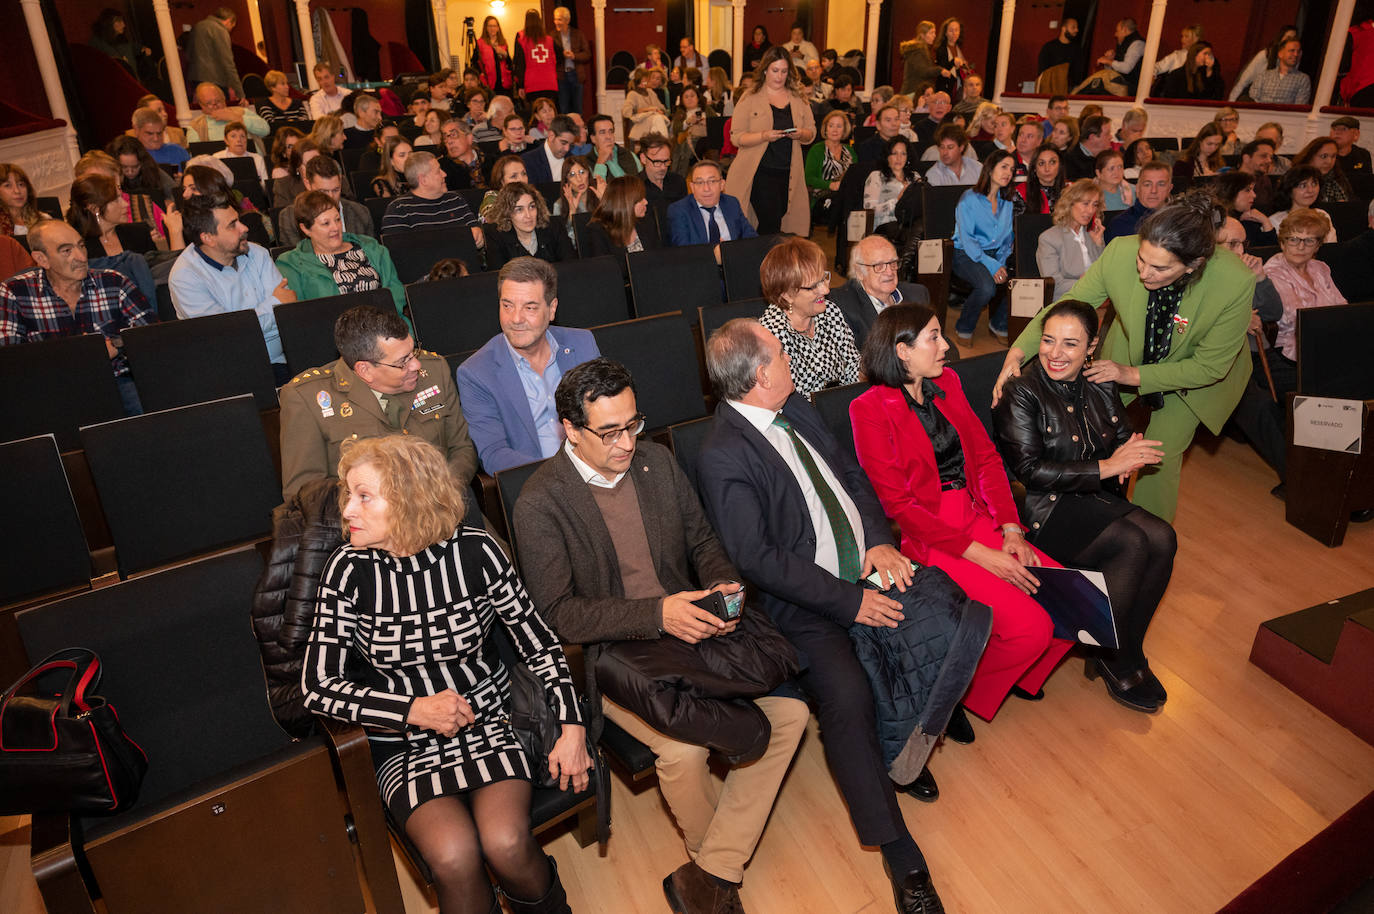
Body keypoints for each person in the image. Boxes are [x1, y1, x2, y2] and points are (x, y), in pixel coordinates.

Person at [511, 357, 807, 913]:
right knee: (683, 754)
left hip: (685, 624)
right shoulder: (541, 503)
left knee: (791, 715)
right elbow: (559, 614)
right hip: (616, 656)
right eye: (610, 432)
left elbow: (702, 543)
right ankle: (715, 865)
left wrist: (722, 585)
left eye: (633, 424)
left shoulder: (657, 463)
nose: (626, 443)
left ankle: (712, 872)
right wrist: (657, 614)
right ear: (570, 430)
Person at [696, 318, 947, 914]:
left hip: (861, 564)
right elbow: (759, 560)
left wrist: (879, 540)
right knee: (847, 696)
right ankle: (899, 851)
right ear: (761, 376)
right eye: (782, 353)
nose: (791, 358)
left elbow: (851, 476)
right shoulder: (722, 454)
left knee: (945, 627)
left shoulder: (798, 406)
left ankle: (903, 743)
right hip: (801, 604)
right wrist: (849, 600)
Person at [302, 434, 585, 914]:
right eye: (348, 494)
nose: (347, 509)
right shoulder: (346, 569)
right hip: (404, 740)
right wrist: (412, 710)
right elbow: (317, 686)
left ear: (410, 499)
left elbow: (539, 641)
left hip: (490, 721)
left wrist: (573, 727)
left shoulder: (476, 552)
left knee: (506, 843)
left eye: (363, 496)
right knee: (454, 858)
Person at [851, 302, 1076, 717]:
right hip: (931, 537)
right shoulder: (868, 409)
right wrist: (983, 555)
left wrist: (1010, 527)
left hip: (978, 516)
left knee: (1069, 599)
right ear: (902, 351)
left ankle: (1017, 677)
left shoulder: (948, 382)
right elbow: (898, 505)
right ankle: (959, 692)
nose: (946, 346)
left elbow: (987, 458)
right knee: (1032, 627)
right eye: (934, 337)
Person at [994, 196, 1256, 522]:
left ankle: (1146, 533)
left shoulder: (1234, 283)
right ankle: (1094, 512)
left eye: (1160, 268)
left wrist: (1132, 375)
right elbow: (1071, 305)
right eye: (1142, 259)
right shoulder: (1120, 252)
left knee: (1159, 452)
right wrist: (1017, 353)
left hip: (1195, 374)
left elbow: (1209, 366)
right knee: (1096, 427)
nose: (1145, 273)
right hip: (1132, 348)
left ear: (1194, 265)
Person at [992, 299, 1177, 711]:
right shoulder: (1021, 391)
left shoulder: (1101, 382)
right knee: (1132, 542)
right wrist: (1110, 466)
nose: (1055, 353)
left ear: (1091, 346)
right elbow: (1029, 471)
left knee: (1163, 537)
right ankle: (1114, 657)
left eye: (1070, 344)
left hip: (1093, 497)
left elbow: (1120, 433)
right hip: (1045, 506)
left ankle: (1126, 646)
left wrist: (1129, 449)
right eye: (1048, 341)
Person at [278, 305, 479, 502]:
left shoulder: (435, 370)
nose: (416, 365)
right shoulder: (306, 399)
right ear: (365, 370)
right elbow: (305, 494)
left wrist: (442, 496)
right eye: (403, 362)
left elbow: (461, 448)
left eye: (413, 352)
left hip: (443, 506)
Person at [455, 257, 598, 474]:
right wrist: (559, 477)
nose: (516, 318)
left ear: (552, 309)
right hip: (536, 484)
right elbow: (493, 454)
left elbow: (607, 415)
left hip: (596, 467)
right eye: (507, 306)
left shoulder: (582, 344)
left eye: (529, 307)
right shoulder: (476, 373)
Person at [0, 220, 152, 414]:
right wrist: (84, 355)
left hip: (115, 380)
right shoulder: (14, 292)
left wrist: (115, 344)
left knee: (147, 407)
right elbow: (9, 360)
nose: (81, 257)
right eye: (66, 251)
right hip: (49, 389)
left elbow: (150, 337)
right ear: (42, 259)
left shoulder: (113, 282)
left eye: (81, 245)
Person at [168, 193, 293, 384]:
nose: (245, 228)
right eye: (232, 225)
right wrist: (274, 302)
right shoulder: (185, 277)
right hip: (229, 372)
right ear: (208, 238)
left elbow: (286, 314)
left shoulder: (257, 253)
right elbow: (227, 336)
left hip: (280, 360)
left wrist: (246, 322)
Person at [725, 47, 816, 236]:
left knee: (775, 224)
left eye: (784, 71)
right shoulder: (750, 97)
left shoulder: (798, 97)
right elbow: (737, 137)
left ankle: (760, 259)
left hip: (789, 172)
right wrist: (764, 136)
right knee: (771, 221)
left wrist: (800, 133)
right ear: (765, 70)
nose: (779, 76)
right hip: (758, 171)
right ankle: (766, 263)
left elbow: (811, 133)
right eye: (775, 70)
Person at [757, 237, 859, 401]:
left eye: (824, 278)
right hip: (805, 420)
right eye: (813, 286)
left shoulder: (830, 311)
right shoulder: (773, 335)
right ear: (787, 295)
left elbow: (853, 363)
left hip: (843, 404)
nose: (825, 290)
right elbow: (792, 401)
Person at [278, 190, 406, 314]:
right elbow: (300, 315)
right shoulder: (291, 263)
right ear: (305, 229)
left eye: (337, 219)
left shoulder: (371, 247)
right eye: (326, 223)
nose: (335, 227)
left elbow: (396, 293)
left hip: (385, 325)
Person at [951, 150, 1016, 342]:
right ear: (990, 169)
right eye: (1004, 167)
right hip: (965, 253)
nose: (1008, 173)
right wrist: (994, 266)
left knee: (1022, 279)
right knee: (987, 287)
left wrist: (1002, 262)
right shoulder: (969, 199)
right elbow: (967, 239)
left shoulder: (1007, 202)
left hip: (996, 254)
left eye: (1011, 169)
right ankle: (964, 326)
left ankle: (998, 323)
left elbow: (1007, 239)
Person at [833, 234, 933, 346]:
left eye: (893, 263)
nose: (890, 272)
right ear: (860, 272)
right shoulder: (841, 306)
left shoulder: (918, 295)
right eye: (879, 266)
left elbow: (935, 339)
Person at [381, 152, 484, 252]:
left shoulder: (456, 200)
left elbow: (475, 230)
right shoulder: (398, 210)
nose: (444, 174)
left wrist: (478, 235)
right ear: (423, 180)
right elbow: (398, 253)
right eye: (438, 171)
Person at [277, 155, 375, 246]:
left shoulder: (361, 213)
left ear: (341, 182)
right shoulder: (289, 218)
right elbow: (296, 260)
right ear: (308, 184)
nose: (331, 197)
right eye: (323, 191)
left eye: (336, 190)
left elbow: (371, 253)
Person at [482, 182, 574, 269]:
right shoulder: (496, 236)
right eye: (519, 210)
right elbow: (498, 278)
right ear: (507, 213)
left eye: (532, 207)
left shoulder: (554, 227)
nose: (528, 215)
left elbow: (570, 266)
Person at [1037, 179, 1105, 297]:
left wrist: (1098, 244)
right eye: (1085, 203)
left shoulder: (1093, 234)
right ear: (1070, 204)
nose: (1090, 210)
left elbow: (1105, 274)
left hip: (1096, 299)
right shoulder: (1049, 239)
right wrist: (1087, 284)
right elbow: (1054, 285)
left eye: (1095, 205)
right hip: (1066, 302)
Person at [667, 160, 756, 249]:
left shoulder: (731, 203)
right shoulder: (679, 210)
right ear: (692, 187)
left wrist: (730, 252)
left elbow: (751, 238)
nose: (706, 189)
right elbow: (683, 251)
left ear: (722, 184)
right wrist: (714, 255)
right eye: (700, 182)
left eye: (712, 181)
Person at [584, 175, 659, 256]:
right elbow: (603, 267)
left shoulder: (646, 222)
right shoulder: (599, 232)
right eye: (640, 199)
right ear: (626, 204)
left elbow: (658, 257)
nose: (646, 202)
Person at [1072, 18, 1145, 96]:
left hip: (1132, 88)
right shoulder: (1124, 43)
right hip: (1121, 85)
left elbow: (1126, 68)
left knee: (1098, 85)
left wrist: (1109, 62)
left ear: (1124, 30)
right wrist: (1110, 61)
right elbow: (1113, 72)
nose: (1115, 34)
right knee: (1097, 85)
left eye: (1117, 31)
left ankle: (1075, 94)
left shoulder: (1137, 44)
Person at [1106, 161, 1173, 241]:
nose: (1154, 190)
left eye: (1161, 184)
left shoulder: (1179, 222)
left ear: (1169, 188)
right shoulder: (1119, 225)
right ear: (1137, 188)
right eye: (1147, 184)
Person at [186, 8, 242, 101]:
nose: (230, 31)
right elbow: (228, 63)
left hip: (196, 78)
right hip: (216, 81)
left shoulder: (198, 26)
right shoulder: (220, 30)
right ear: (228, 21)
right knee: (220, 110)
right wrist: (239, 93)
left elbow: (188, 54)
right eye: (232, 27)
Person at [806, 110, 853, 220]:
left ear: (845, 130)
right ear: (825, 129)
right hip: (822, 198)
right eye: (831, 125)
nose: (835, 130)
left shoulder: (850, 151)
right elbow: (808, 178)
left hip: (846, 196)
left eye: (839, 126)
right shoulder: (816, 150)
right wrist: (831, 185)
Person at [1269, 166, 1337, 242]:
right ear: (1289, 190)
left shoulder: (1322, 214)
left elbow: (1331, 247)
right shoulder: (1275, 221)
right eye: (1303, 186)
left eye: (1314, 184)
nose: (1310, 190)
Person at [863, 136, 916, 234]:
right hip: (885, 224)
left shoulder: (915, 177)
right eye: (894, 153)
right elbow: (869, 211)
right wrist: (897, 202)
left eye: (903, 154)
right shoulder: (876, 176)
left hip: (911, 223)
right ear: (887, 157)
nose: (899, 158)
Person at [1231, 26, 1299, 101]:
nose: (1290, 41)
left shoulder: (1293, 61)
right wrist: (1230, 103)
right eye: (1288, 37)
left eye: (1293, 38)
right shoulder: (1265, 55)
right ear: (1280, 38)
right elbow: (1243, 81)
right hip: (1252, 97)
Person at [188, 83, 268, 144]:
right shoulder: (196, 126)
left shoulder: (242, 112)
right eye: (209, 103)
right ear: (202, 105)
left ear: (224, 99)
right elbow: (195, 153)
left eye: (218, 101)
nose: (215, 106)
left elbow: (265, 130)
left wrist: (236, 118)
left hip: (251, 160)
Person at [1216, 172, 1276, 249]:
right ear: (1230, 192)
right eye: (1247, 190)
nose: (1254, 195)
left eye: (1253, 190)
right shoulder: (1215, 220)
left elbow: (1269, 252)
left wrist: (1265, 221)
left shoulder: (1249, 218)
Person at [636, 134, 686, 226]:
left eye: (666, 162)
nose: (663, 167)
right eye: (657, 162)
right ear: (643, 158)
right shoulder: (634, 187)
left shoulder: (678, 181)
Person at [551, 7, 590, 115]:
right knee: (563, 108)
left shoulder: (578, 34)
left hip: (576, 75)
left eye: (559, 19)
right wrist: (561, 55)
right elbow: (550, 57)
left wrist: (574, 56)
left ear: (567, 20)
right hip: (561, 76)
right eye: (555, 19)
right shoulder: (551, 36)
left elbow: (587, 54)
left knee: (578, 108)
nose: (556, 22)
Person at [514, 10, 559, 104]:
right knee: (549, 113)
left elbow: (519, 64)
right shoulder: (550, 39)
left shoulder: (521, 39)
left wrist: (520, 86)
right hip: (550, 83)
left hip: (531, 84)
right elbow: (560, 56)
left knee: (535, 114)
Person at [518, 115, 577, 186]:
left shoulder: (573, 160)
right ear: (551, 136)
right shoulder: (528, 160)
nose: (567, 149)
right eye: (563, 143)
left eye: (571, 145)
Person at [1250, 37, 1311, 105]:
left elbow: (1299, 107)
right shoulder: (1263, 76)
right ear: (1280, 54)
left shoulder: (1303, 79)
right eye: (1292, 51)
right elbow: (1253, 101)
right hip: (1261, 114)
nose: (1296, 54)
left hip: (1286, 115)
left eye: (1298, 51)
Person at [1293, 137, 1352, 205]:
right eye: (1324, 156)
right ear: (1310, 156)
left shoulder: (1338, 178)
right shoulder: (1297, 178)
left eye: (1333, 156)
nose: (1329, 162)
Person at [213, 121, 269, 185]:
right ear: (226, 140)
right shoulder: (217, 158)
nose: (239, 140)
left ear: (246, 139)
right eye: (233, 136)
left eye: (242, 136)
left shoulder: (257, 158)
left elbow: (265, 185)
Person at [588, 114, 641, 181]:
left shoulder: (630, 155)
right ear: (593, 138)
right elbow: (595, 189)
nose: (608, 137)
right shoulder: (587, 163)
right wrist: (600, 162)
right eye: (602, 132)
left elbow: (642, 183)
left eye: (611, 131)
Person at [472, 15, 515, 97]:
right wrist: (481, 74)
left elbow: (509, 63)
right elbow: (474, 61)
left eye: (495, 26)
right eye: (490, 26)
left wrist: (504, 53)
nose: (492, 28)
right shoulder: (480, 43)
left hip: (504, 82)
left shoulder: (503, 42)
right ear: (486, 28)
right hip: (488, 82)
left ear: (498, 28)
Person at [1062, 115, 1111, 182]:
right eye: (1107, 134)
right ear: (1093, 137)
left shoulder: (1107, 156)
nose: (1111, 137)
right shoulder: (1069, 159)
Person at [1017, 144, 1063, 215]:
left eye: (1052, 162)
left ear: (1060, 165)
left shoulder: (1070, 192)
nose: (1047, 168)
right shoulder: (1021, 192)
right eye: (1041, 163)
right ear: (1034, 168)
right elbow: (1017, 224)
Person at [900, 21, 940, 97]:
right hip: (913, 92)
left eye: (934, 33)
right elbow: (923, 71)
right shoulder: (917, 50)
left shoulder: (922, 50)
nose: (934, 36)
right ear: (922, 35)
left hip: (917, 92)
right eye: (931, 33)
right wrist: (940, 70)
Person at [932, 18, 969, 100]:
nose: (954, 33)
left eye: (957, 30)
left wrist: (964, 67)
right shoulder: (941, 49)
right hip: (944, 88)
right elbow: (941, 70)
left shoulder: (958, 47)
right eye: (951, 30)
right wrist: (953, 62)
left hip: (956, 87)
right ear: (945, 33)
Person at [1237, 138, 1278, 211]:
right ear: (1246, 158)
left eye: (1271, 157)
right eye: (1263, 156)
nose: (1269, 161)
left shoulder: (1265, 181)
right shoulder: (1229, 180)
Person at [1037, 18, 1081, 86]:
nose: (1076, 30)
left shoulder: (1077, 50)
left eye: (1077, 27)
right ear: (1063, 29)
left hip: (1069, 90)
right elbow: (1042, 72)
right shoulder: (1049, 47)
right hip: (1050, 88)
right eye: (1073, 27)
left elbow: (1078, 74)